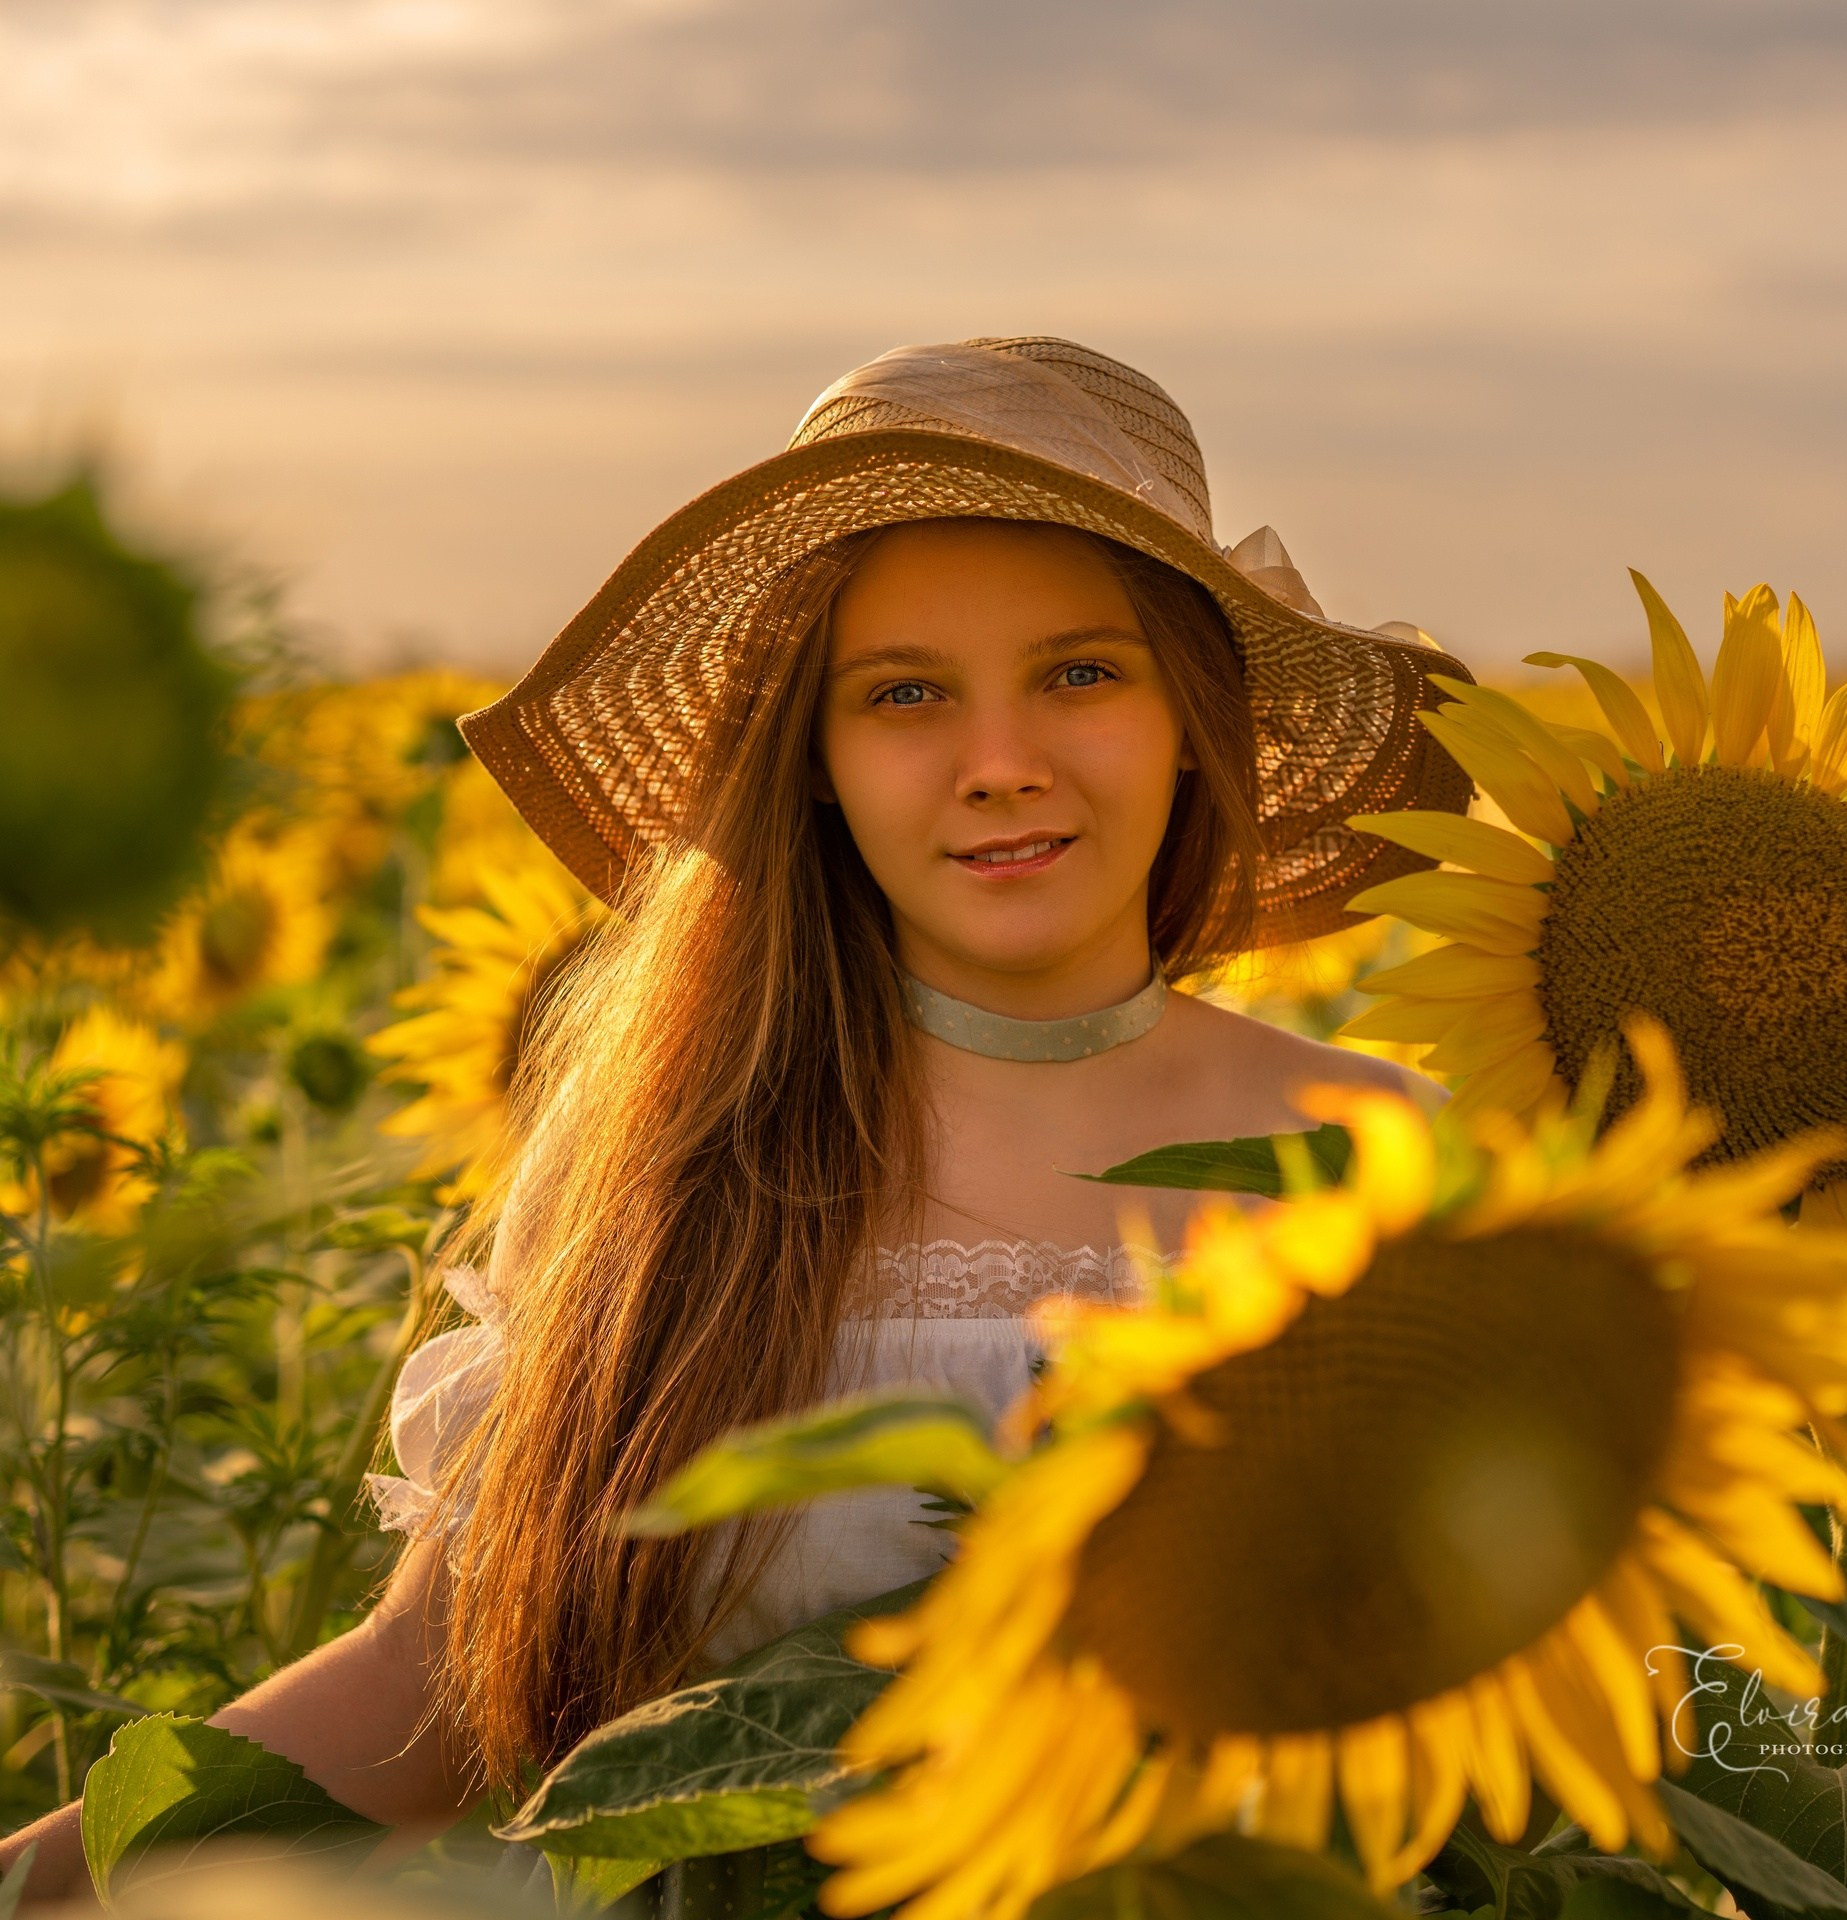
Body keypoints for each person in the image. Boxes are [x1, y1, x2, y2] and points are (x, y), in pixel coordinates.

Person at [1, 335, 1467, 1899]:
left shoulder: (1381, 1159)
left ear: (1194, 712)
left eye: (1080, 674)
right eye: (904, 695)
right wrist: (40, 1881)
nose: (997, 765)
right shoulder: (679, 1146)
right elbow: (438, 1688)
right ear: (818, 761)